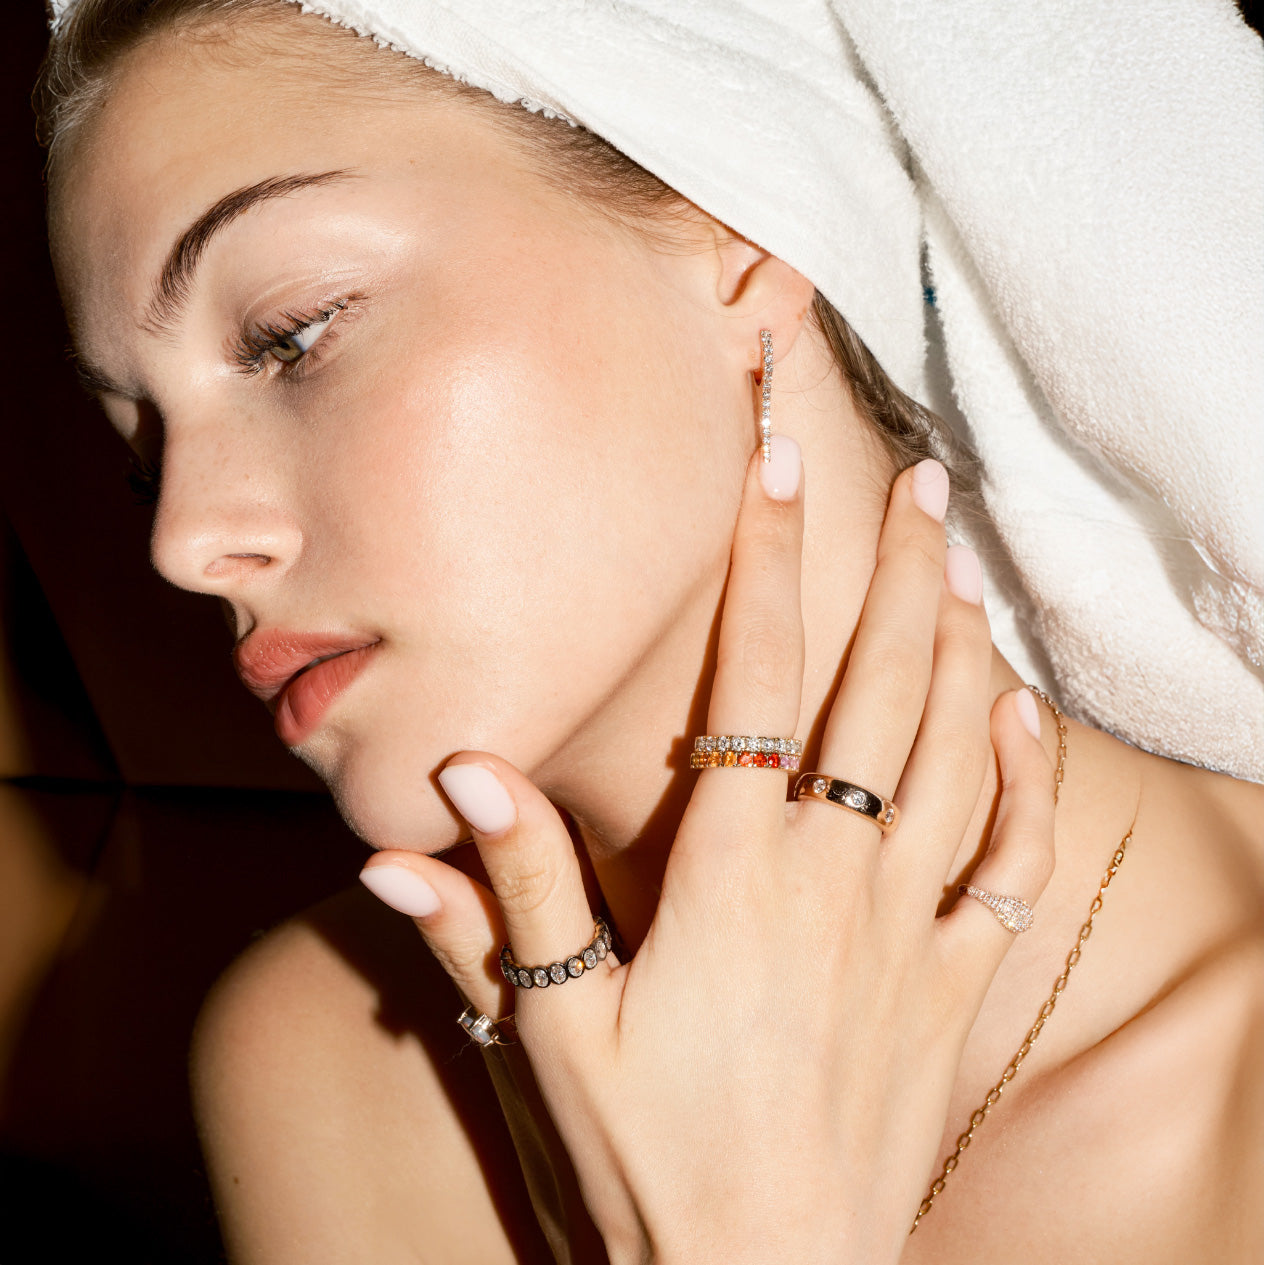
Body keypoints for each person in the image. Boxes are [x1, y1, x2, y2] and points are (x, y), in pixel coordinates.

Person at [36, 0, 1263, 1260]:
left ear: (738, 244)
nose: (182, 540)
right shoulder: (341, 1058)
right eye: (142, 450)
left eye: (295, 334)